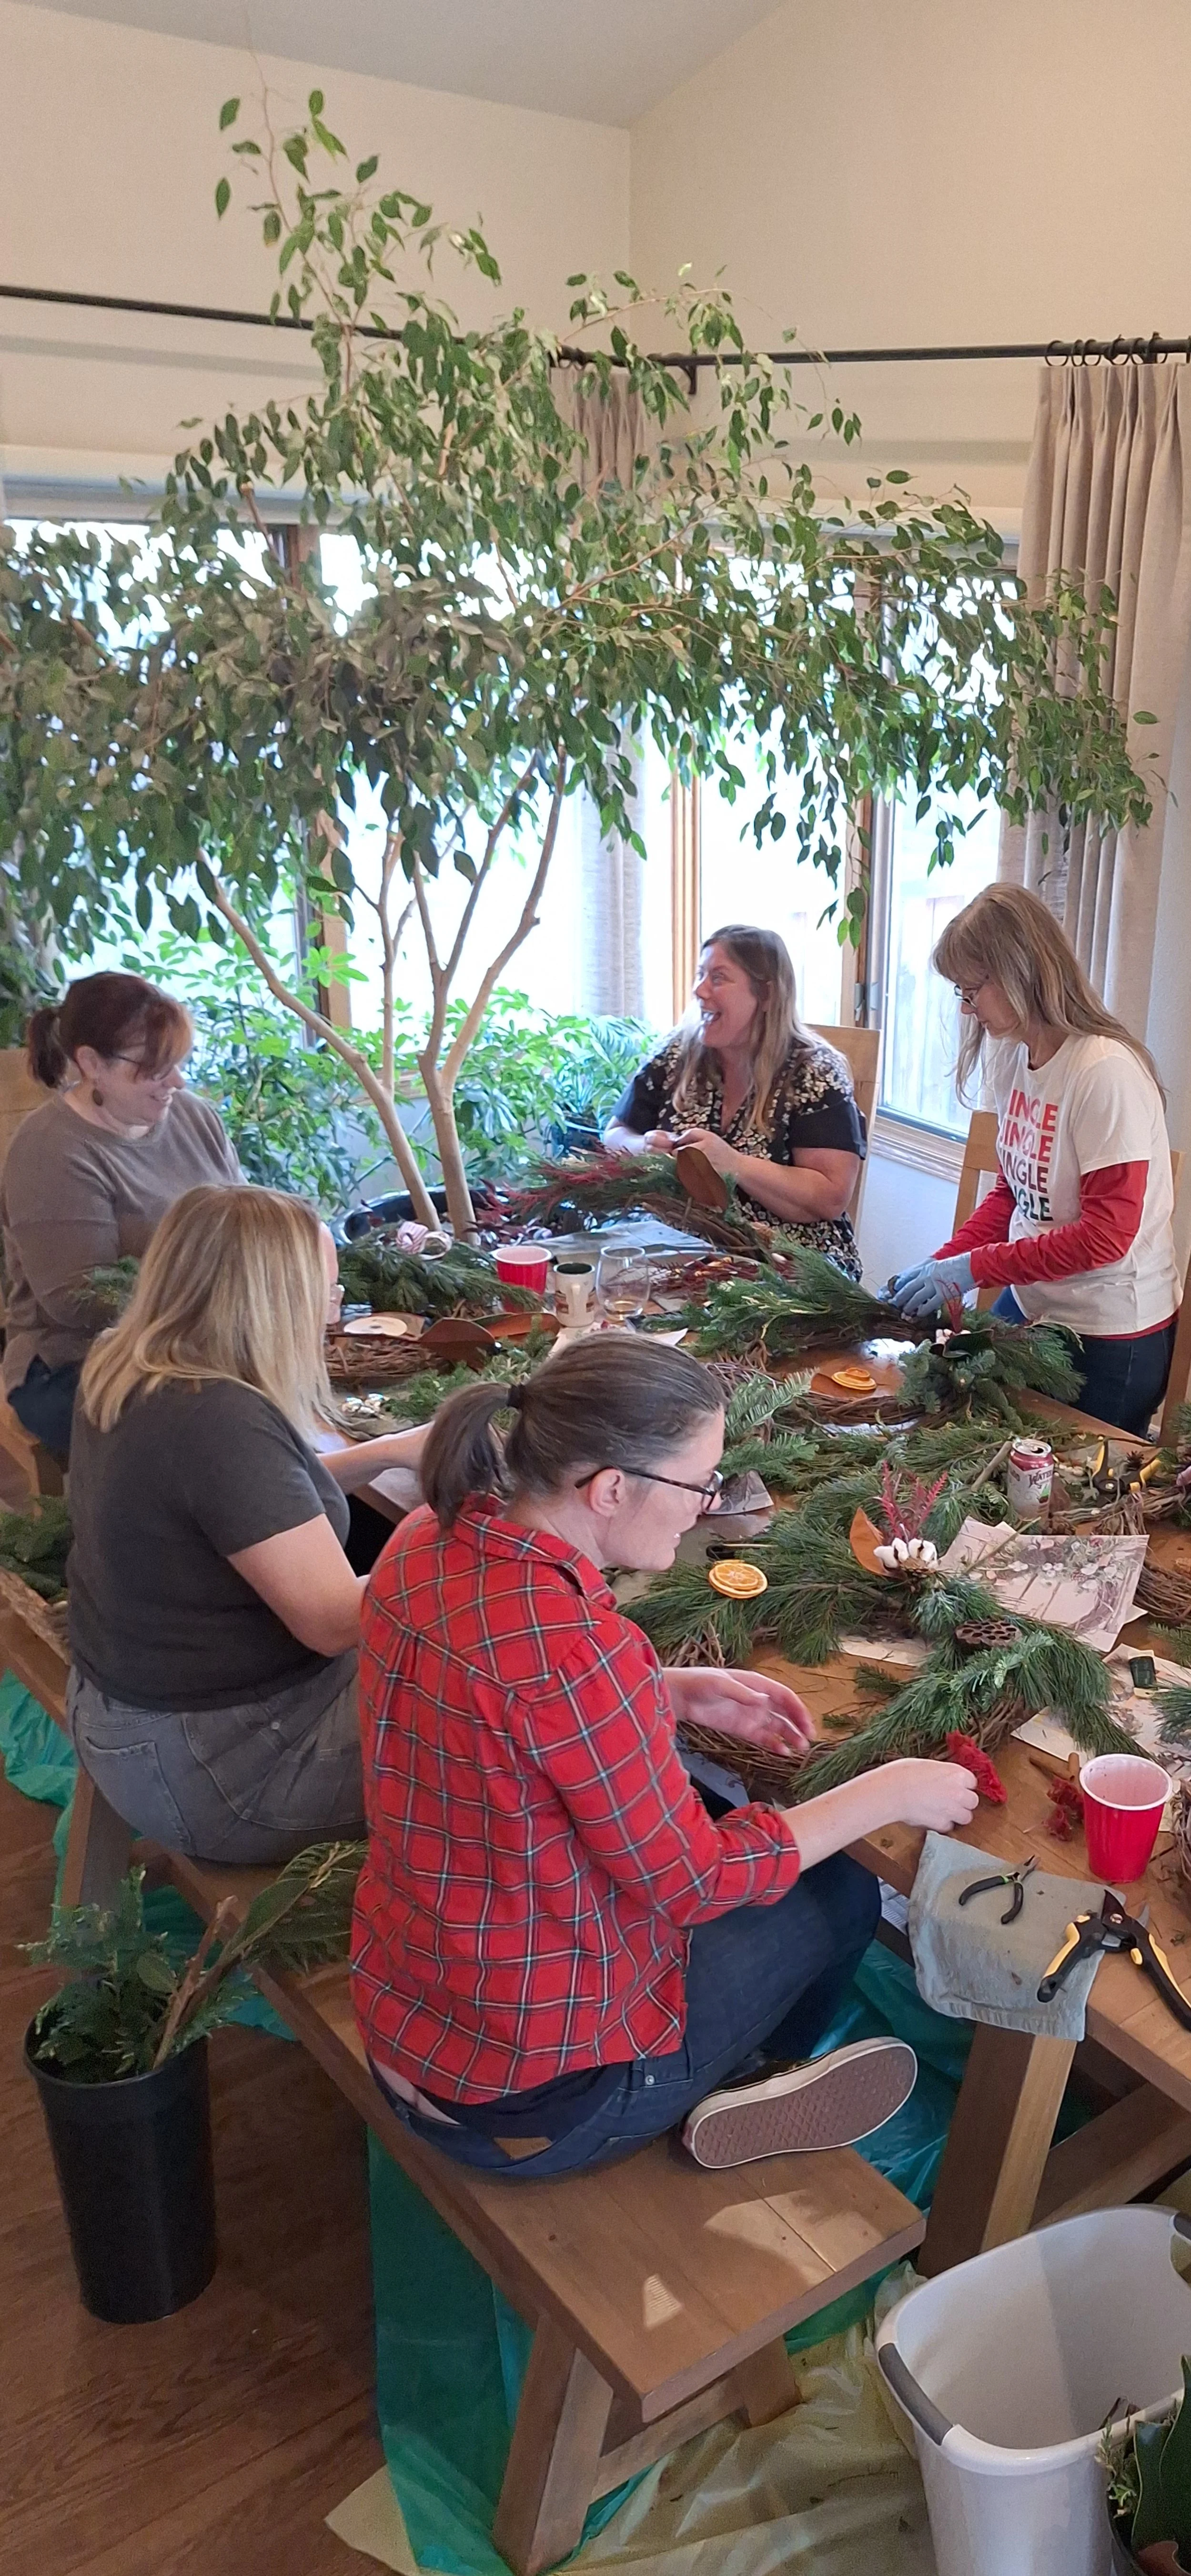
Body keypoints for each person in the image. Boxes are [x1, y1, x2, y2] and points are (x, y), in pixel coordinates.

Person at [353, 1337, 978, 2179]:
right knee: (840, 1888)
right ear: (611, 1487)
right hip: (538, 2107)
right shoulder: (582, 1656)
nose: (704, 1504)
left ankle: (734, 2068)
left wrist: (667, 1688)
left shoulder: (431, 1533)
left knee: (736, 1827)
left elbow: (502, 1711)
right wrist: (891, 1788)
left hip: (413, 2018)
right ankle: (747, 2082)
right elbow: (697, 1882)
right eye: (697, 1484)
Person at [65, 1184, 429, 1863]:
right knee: (502, 1728)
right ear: (269, 1301)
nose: (335, 1304)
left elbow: (252, 1504)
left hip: (128, 1716)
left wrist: (394, 1451)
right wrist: (449, 1531)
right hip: (223, 1769)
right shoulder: (219, 1418)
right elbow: (334, 1621)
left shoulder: (132, 1360)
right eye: (325, 1290)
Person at [889, 885, 1180, 1437]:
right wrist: (941, 1264)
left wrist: (972, 1269)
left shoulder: (1102, 1073)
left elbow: (1105, 1238)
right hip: (1035, 1305)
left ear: (1020, 972)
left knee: (1050, 1493)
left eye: (972, 991)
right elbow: (1013, 1195)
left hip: (1111, 1330)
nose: (966, 1009)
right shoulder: (1011, 1058)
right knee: (943, 1421)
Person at [0, 971, 242, 1460]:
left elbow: (240, 1224)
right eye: (155, 1068)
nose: (176, 1081)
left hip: (195, 1340)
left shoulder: (193, 1117)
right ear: (92, 1063)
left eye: (178, 1062)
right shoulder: (51, 1150)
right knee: (223, 1433)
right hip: (76, 1364)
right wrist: (212, 1300)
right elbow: (82, 1300)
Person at [603, 924, 866, 1278]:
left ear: (767, 995)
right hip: (677, 1249)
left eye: (719, 977)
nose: (699, 990)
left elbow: (831, 1196)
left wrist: (732, 1164)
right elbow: (614, 1133)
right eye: (700, 975)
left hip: (788, 1264)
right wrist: (643, 1147)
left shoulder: (813, 1070)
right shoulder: (677, 1054)